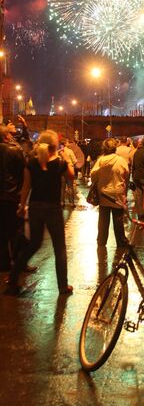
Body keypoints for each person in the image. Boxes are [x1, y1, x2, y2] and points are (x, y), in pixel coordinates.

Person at [6, 130, 74, 296]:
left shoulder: (31, 163)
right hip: (53, 209)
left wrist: (22, 206)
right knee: (59, 248)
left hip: (35, 207)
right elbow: (72, 177)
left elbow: (26, 187)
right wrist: (66, 160)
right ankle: (63, 286)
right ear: (54, 146)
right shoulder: (59, 163)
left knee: (33, 244)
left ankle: (13, 279)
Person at [91, 138, 129, 248]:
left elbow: (93, 176)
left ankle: (101, 241)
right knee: (118, 221)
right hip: (117, 194)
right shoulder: (121, 160)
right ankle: (121, 242)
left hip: (104, 194)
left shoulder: (101, 160)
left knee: (103, 221)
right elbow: (126, 174)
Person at [0, 125, 25, 272]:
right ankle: (18, 262)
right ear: (6, 136)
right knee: (16, 231)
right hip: (12, 196)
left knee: (2, 232)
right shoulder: (14, 150)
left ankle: (3, 263)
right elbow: (23, 173)